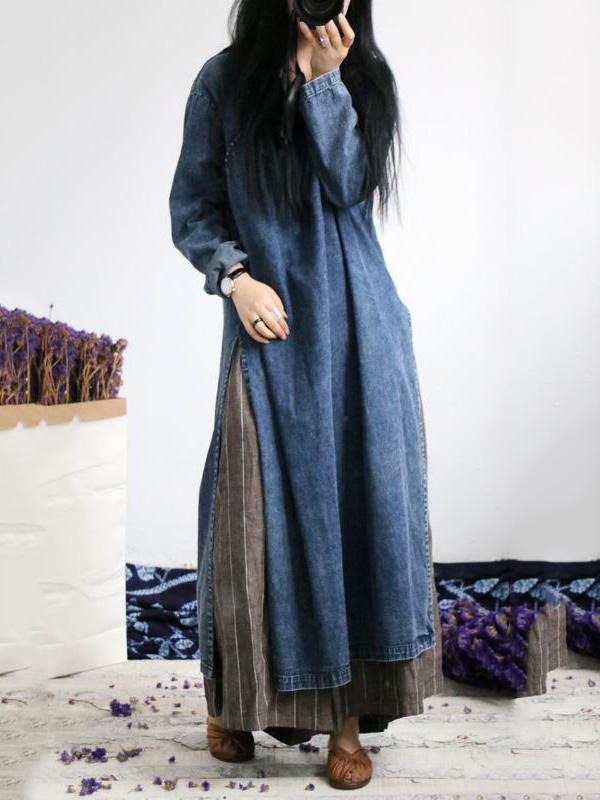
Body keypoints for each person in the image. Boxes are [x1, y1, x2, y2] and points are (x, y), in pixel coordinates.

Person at [169, 0, 443, 789]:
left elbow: (350, 189)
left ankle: (346, 721)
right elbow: (192, 207)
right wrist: (235, 277)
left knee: (357, 517)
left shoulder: (364, 76)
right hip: (272, 326)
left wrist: (326, 84)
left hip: (359, 328)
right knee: (248, 517)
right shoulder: (223, 83)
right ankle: (232, 701)